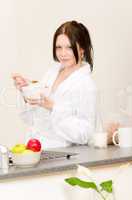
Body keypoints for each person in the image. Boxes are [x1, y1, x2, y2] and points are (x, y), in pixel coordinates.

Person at [12, 20, 97, 149]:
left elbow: (85, 134)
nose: (62, 53)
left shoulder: (86, 84)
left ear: (82, 49)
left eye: (69, 47)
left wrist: (53, 107)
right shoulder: (52, 72)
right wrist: (27, 91)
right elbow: (31, 119)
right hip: (35, 148)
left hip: (63, 154)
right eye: (58, 47)